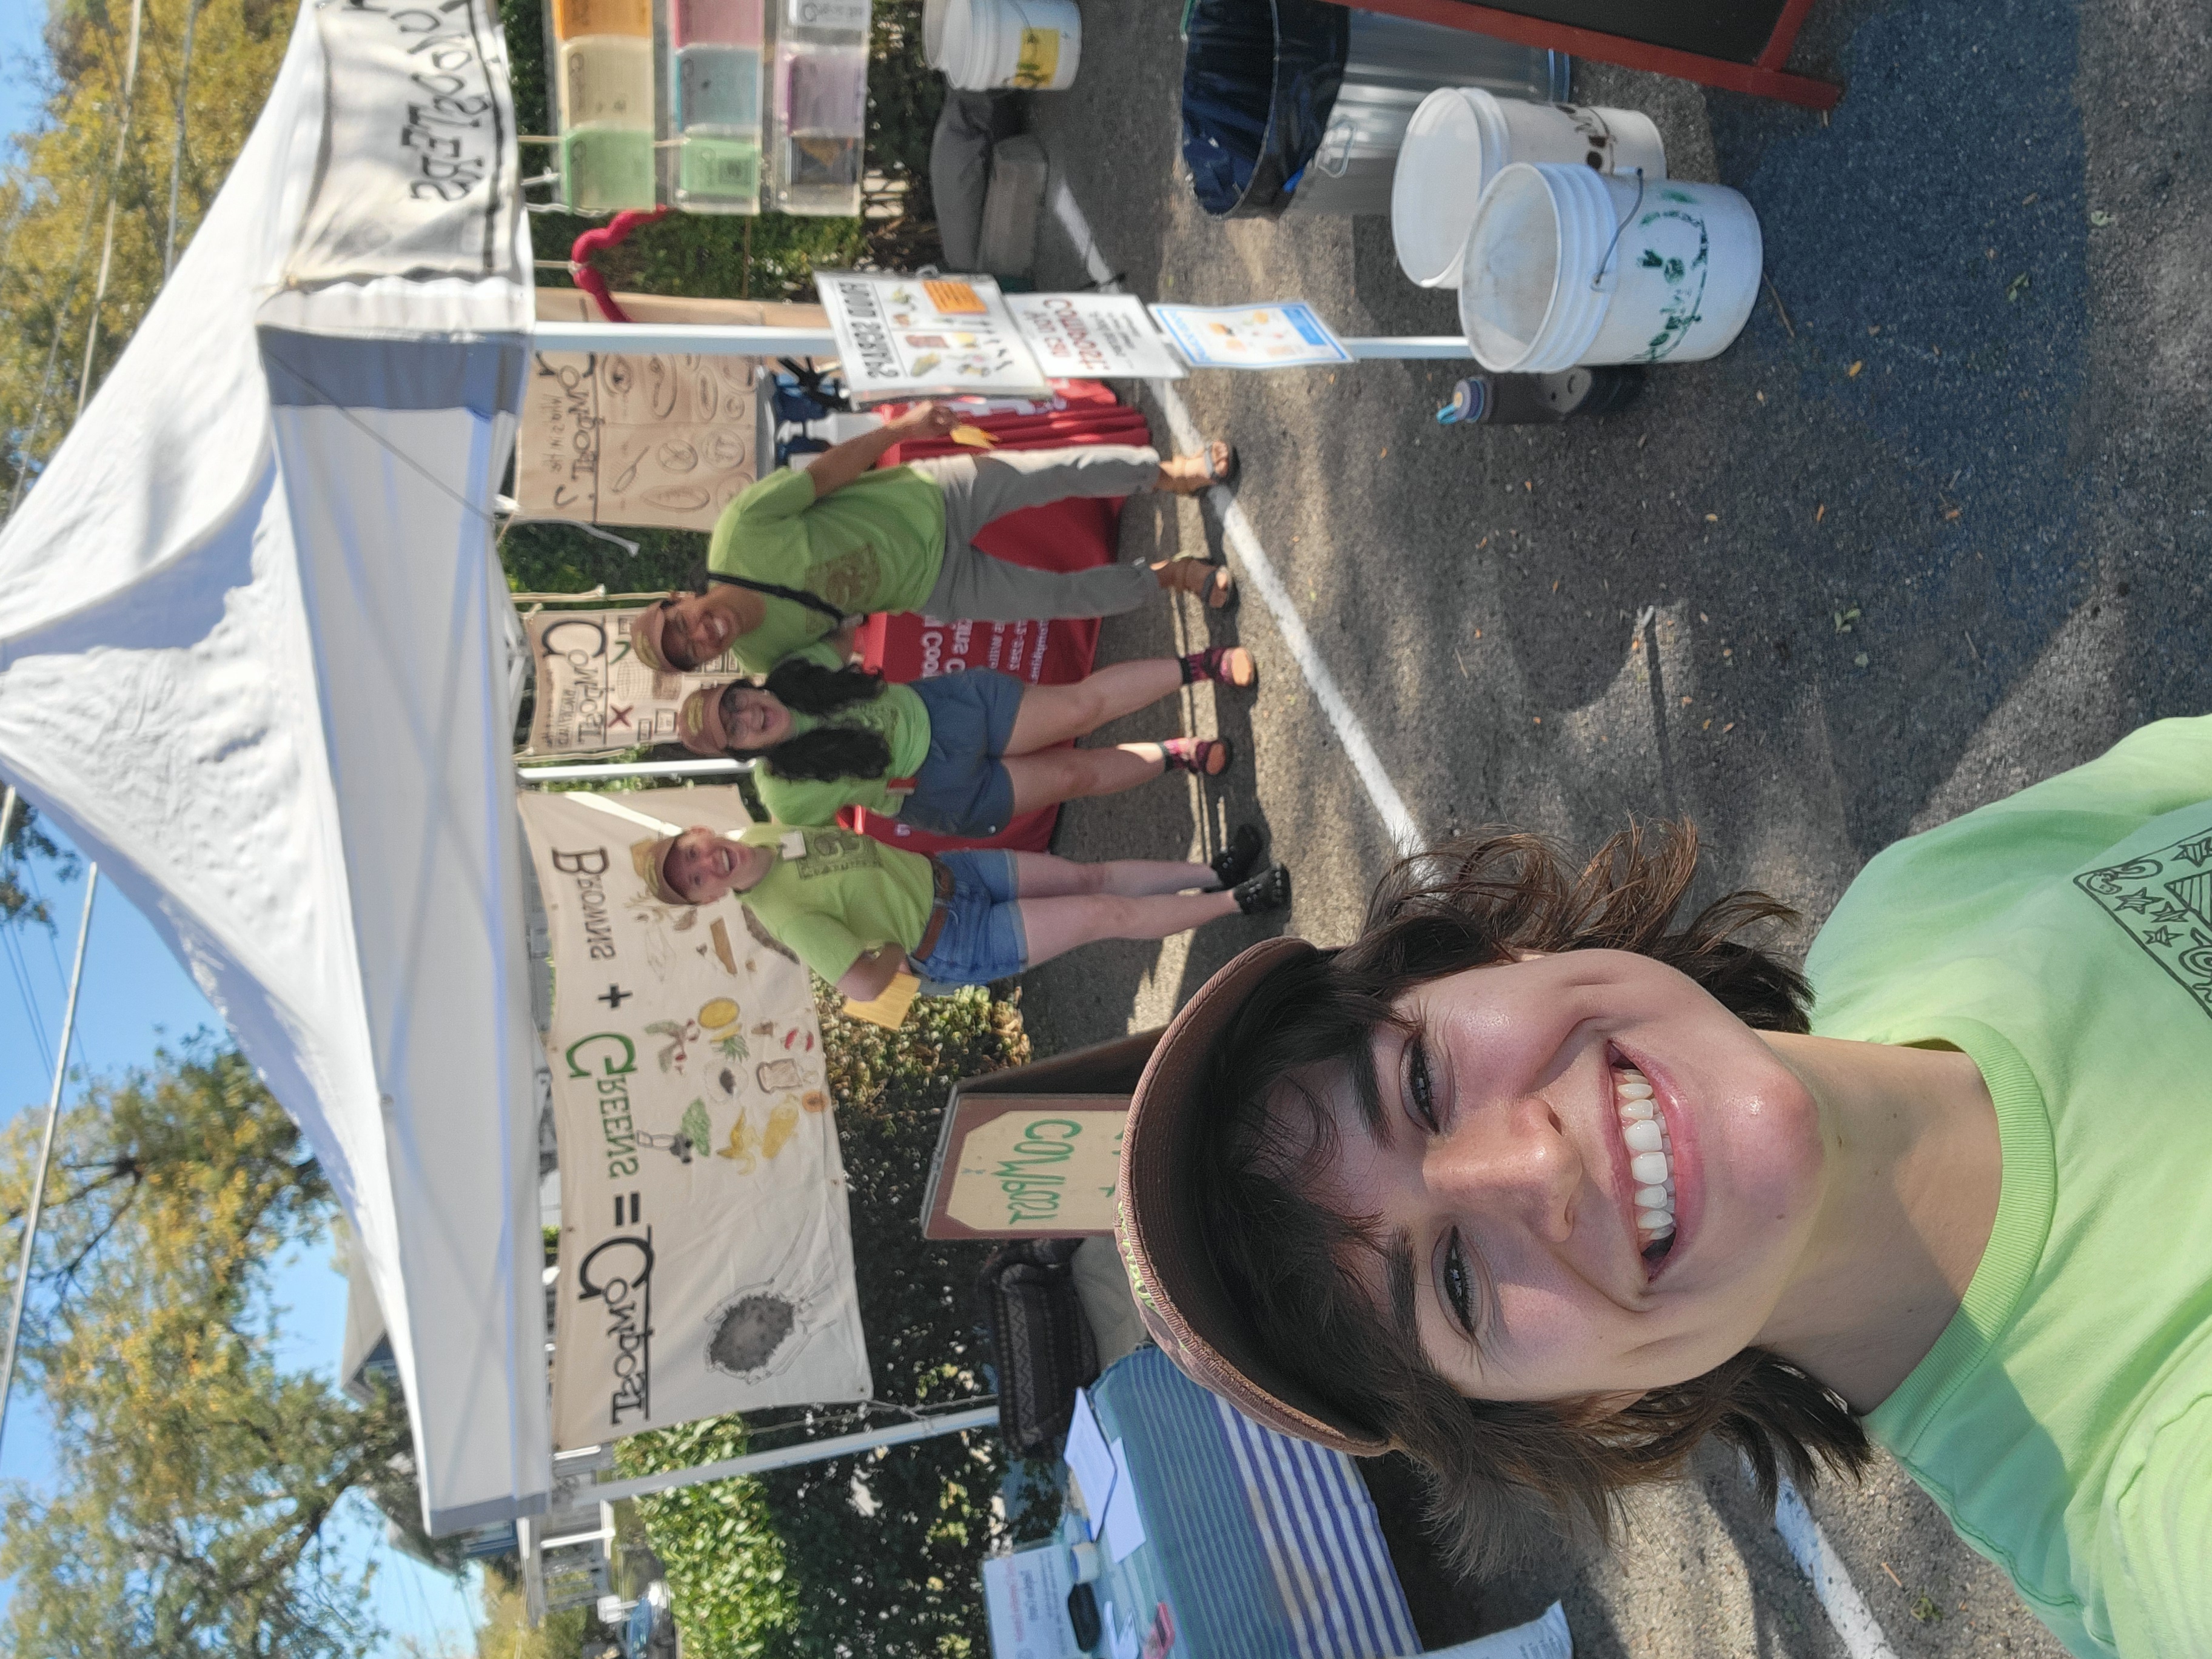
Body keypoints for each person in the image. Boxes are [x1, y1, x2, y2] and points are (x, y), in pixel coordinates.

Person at [1114, 717, 2212, 1659]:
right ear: (1572, 1410)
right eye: (1452, 1277)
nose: (1537, 1166)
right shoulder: (2146, 1515)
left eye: (1419, 1080)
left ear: (1486, 956)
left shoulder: (1910, 912)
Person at [628, 401, 1239, 676]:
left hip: (930, 496)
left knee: (1053, 473)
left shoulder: (740, 531)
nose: (703, 635)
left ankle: (1170, 474)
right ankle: (1175, 575)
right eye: (693, 653)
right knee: (1058, 602)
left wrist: (902, 428)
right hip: (935, 587)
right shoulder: (762, 658)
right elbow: (838, 649)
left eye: (684, 624)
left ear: (678, 599)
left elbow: (829, 473)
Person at [645, 821, 1288, 1002]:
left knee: (1089, 875)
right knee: (1102, 913)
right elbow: (865, 987)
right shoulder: (783, 915)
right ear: (708, 899)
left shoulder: (759, 836)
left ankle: (1215, 871)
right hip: (954, 937)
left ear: (698, 832)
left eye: (692, 854)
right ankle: (1236, 902)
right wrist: (902, 945)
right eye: (694, 881)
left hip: (956, 873)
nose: (706, 866)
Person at [676, 641, 1257, 837]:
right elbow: (835, 859)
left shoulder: (794, 664)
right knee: (1071, 777)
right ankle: (1178, 755)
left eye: (735, 701)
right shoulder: (782, 795)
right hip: (937, 793)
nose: (747, 715)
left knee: (1081, 708)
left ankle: (1201, 665)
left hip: (948, 712)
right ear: (739, 751)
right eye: (733, 729)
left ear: (742, 685)